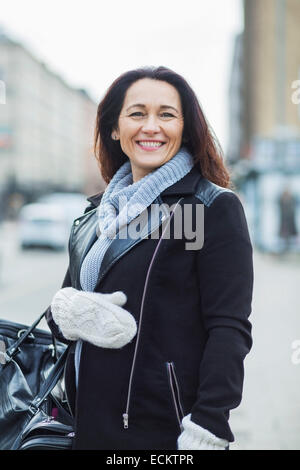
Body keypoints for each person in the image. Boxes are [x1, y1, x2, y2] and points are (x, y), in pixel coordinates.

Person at [45, 66, 253, 450]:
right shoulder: (96, 217)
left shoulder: (208, 209)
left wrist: (209, 425)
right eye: (137, 114)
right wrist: (71, 312)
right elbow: (60, 316)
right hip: (84, 422)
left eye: (167, 114)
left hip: (162, 429)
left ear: (185, 128)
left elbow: (229, 328)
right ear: (114, 128)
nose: (151, 126)